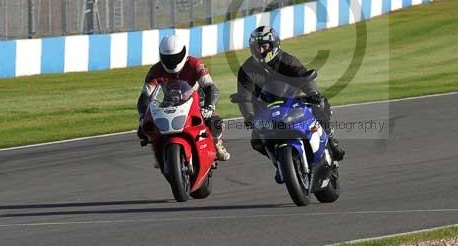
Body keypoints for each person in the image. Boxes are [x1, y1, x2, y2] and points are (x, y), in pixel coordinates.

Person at [234, 25, 345, 161]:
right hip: (265, 110)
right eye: (257, 47)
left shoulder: (287, 60)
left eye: (265, 46)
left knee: (320, 104)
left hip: (293, 102)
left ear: (274, 44)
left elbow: (304, 77)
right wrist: (249, 115)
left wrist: (313, 94)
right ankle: (280, 161)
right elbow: (244, 96)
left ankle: (332, 141)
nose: (261, 50)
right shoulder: (246, 69)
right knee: (256, 141)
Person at [137, 34, 230, 161]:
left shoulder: (195, 64)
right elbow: (145, 96)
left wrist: (209, 106)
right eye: (168, 58)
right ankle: (160, 153)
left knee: (216, 122)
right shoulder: (155, 70)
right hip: (169, 104)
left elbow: (210, 87)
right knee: (144, 129)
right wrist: (143, 116)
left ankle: (216, 143)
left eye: (175, 57)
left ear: (183, 52)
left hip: (197, 102)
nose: (172, 62)